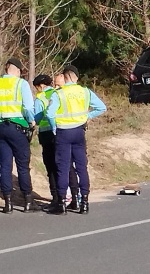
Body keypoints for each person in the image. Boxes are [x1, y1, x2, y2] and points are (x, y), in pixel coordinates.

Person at [46, 64, 106, 214]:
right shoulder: (85, 91)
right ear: (76, 77)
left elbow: (49, 114)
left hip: (63, 133)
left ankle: (61, 204)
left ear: (65, 77)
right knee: (81, 167)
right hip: (79, 132)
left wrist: (54, 127)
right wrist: (86, 117)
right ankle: (84, 201)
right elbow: (101, 107)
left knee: (63, 167)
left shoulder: (59, 93)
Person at [33, 74, 80, 211]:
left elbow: (37, 116)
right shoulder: (58, 93)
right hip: (62, 131)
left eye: (37, 87)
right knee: (66, 165)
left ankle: (57, 199)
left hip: (47, 134)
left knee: (51, 167)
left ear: (41, 86)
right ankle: (75, 198)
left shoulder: (40, 98)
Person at [0, 58, 37, 213]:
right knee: (22, 165)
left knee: (5, 166)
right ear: (16, 70)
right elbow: (28, 107)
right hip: (17, 127)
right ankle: (28, 200)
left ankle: (8, 203)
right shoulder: (20, 84)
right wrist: (32, 122)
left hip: (1, 127)